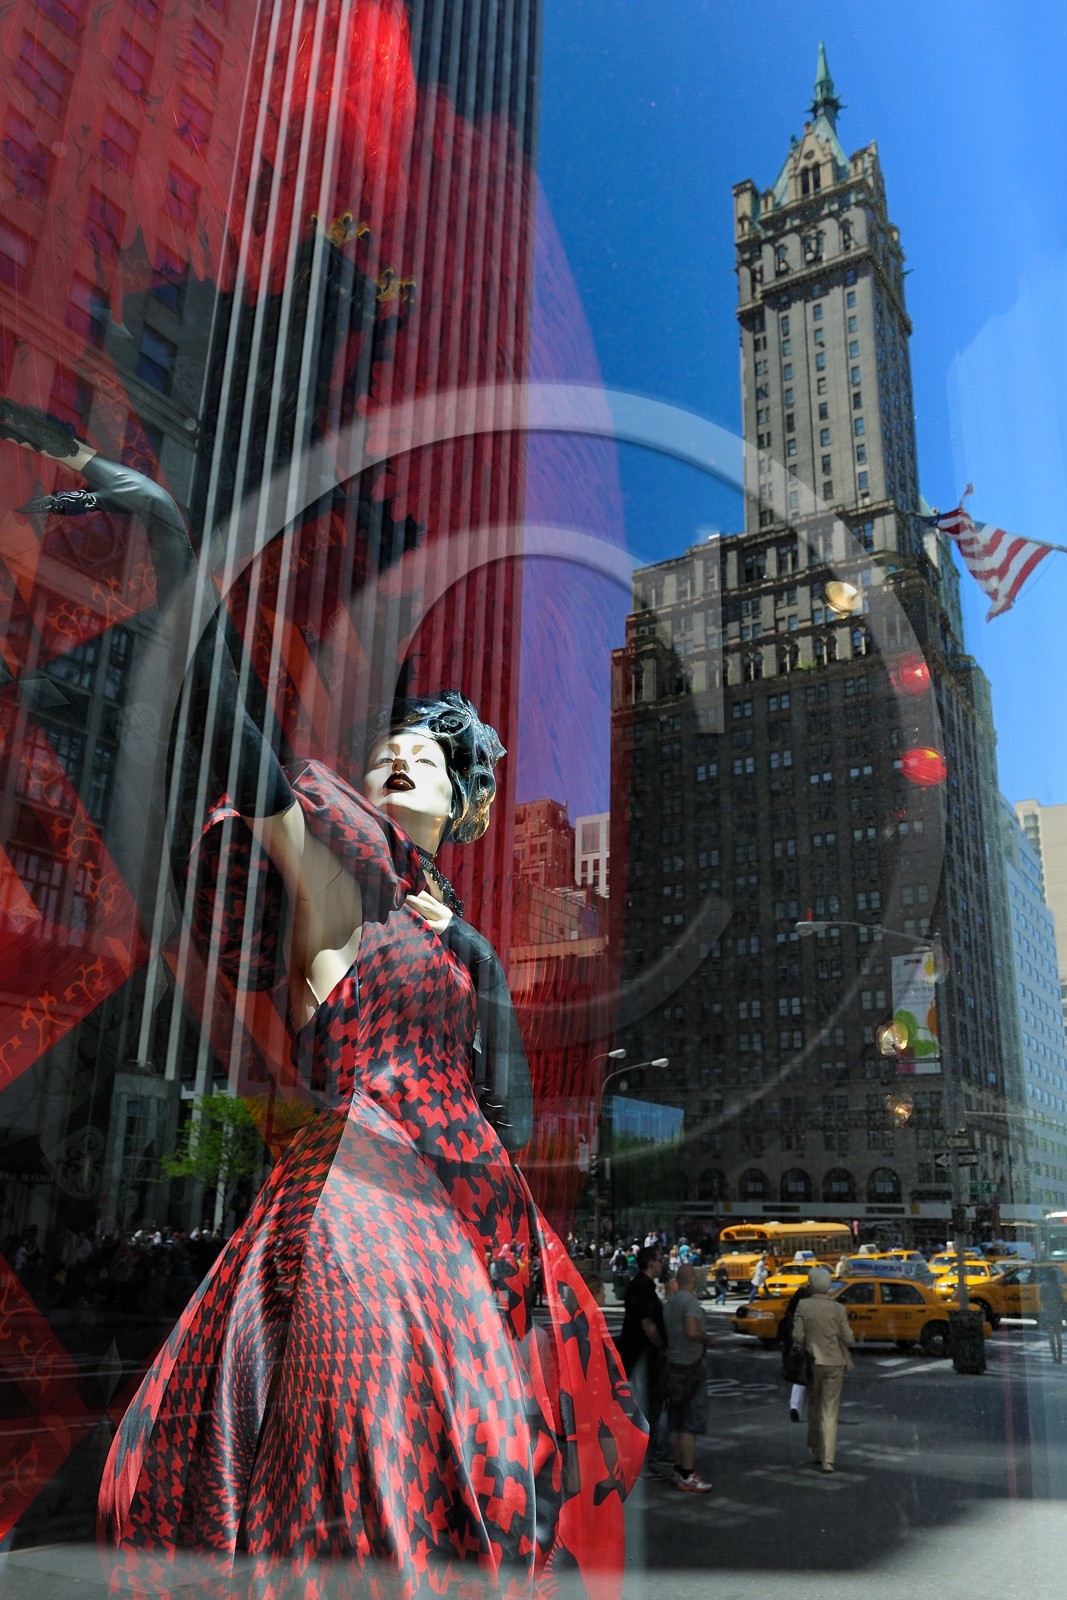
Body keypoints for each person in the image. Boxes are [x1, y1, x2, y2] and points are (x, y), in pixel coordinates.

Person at [1, 404, 646, 1594]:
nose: (401, 751)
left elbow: (503, 1115)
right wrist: (178, 544)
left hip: (452, 1242)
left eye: (433, 755)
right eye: (396, 740)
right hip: (344, 1218)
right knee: (352, 1486)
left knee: (479, 1494)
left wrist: (500, 1263)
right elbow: (240, 723)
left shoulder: (477, 960)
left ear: (465, 807)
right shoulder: (331, 869)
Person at [791, 1265, 855, 1472]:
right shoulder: (838, 1308)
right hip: (835, 1362)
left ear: (811, 1285)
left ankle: (816, 1448)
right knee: (831, 1411)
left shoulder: (803, 1306)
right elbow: (849, 1339)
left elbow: (798, 1336)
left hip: (812, 1361)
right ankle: (829, 1459)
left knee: (814, 1407)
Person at [663, 1263, 716, 1493]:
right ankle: (687, 1472)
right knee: (690, 1422)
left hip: (672, 1366)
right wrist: (708, 1339)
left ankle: (677, 1470)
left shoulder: (670, 1303)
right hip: (690, 1367)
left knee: (675, 1419)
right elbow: (692, 1330)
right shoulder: (690, 1303)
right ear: (693, 1279)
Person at [618, 1244, 668, 1467]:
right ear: (651, 1263)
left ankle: (646, 1449)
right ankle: (647, 1453)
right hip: (643, 1356)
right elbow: (648, 1325)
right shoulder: (643, 1287)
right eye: (659, 1260)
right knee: (649, 1406)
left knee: (647, 1405)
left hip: (638, 1354)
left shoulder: (640, 1285)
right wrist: (661, 1347)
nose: (662, 1263)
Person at [778, 1281, 813, 1421]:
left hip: (793, 1353)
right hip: (808, 1351)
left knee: (799, 1380)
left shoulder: (789, 1317)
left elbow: (781, 1338)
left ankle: (794, 1407)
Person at [1037, 1267, 1064, 1363]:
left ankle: (1054, 1357)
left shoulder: (1043, 1286)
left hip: (1048, 1314)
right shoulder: (1059, 1286)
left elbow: (1041, 1299)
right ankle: (1060, 1357)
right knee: (1058, 1336)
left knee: (1051, 1336)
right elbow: (1061, 1300)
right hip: (1057, 1314)